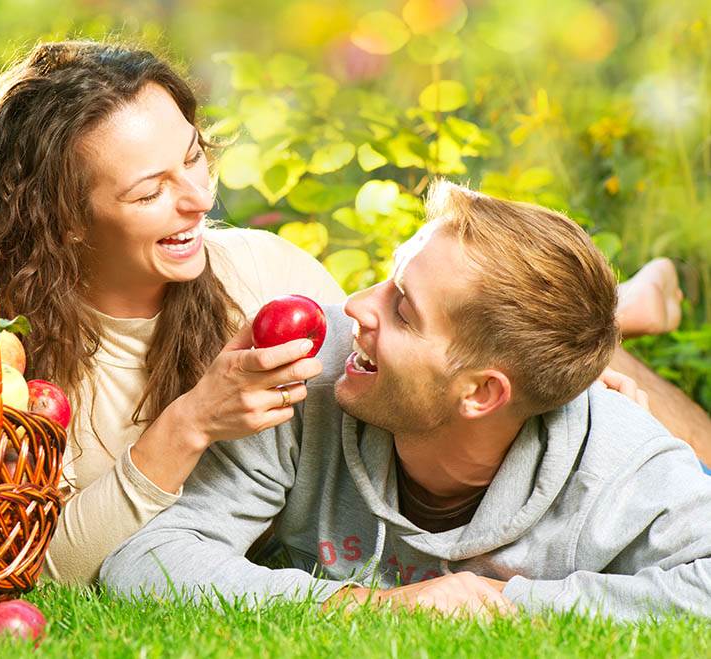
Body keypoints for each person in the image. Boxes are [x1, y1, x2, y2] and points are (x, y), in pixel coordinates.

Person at [0, 39, 708, 586]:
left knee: (556, 346)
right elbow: (33, 571)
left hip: (466, 372)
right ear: (63, 219)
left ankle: (617, 315)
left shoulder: (264, 277)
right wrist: (190, 422)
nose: (200, 199)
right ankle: (625, 305)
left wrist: (582, 414)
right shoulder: (5, 366)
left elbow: (416, 370)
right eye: (149, 190)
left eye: (193, 155)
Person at [103, 181, 711, 620]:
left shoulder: (619, 457)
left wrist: (501, 605)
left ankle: (637, 306)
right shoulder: (312, 374)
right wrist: (358, 604)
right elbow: (145, 561)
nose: (354, 306)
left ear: (479, 393)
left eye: (402, 308)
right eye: (389, 276)